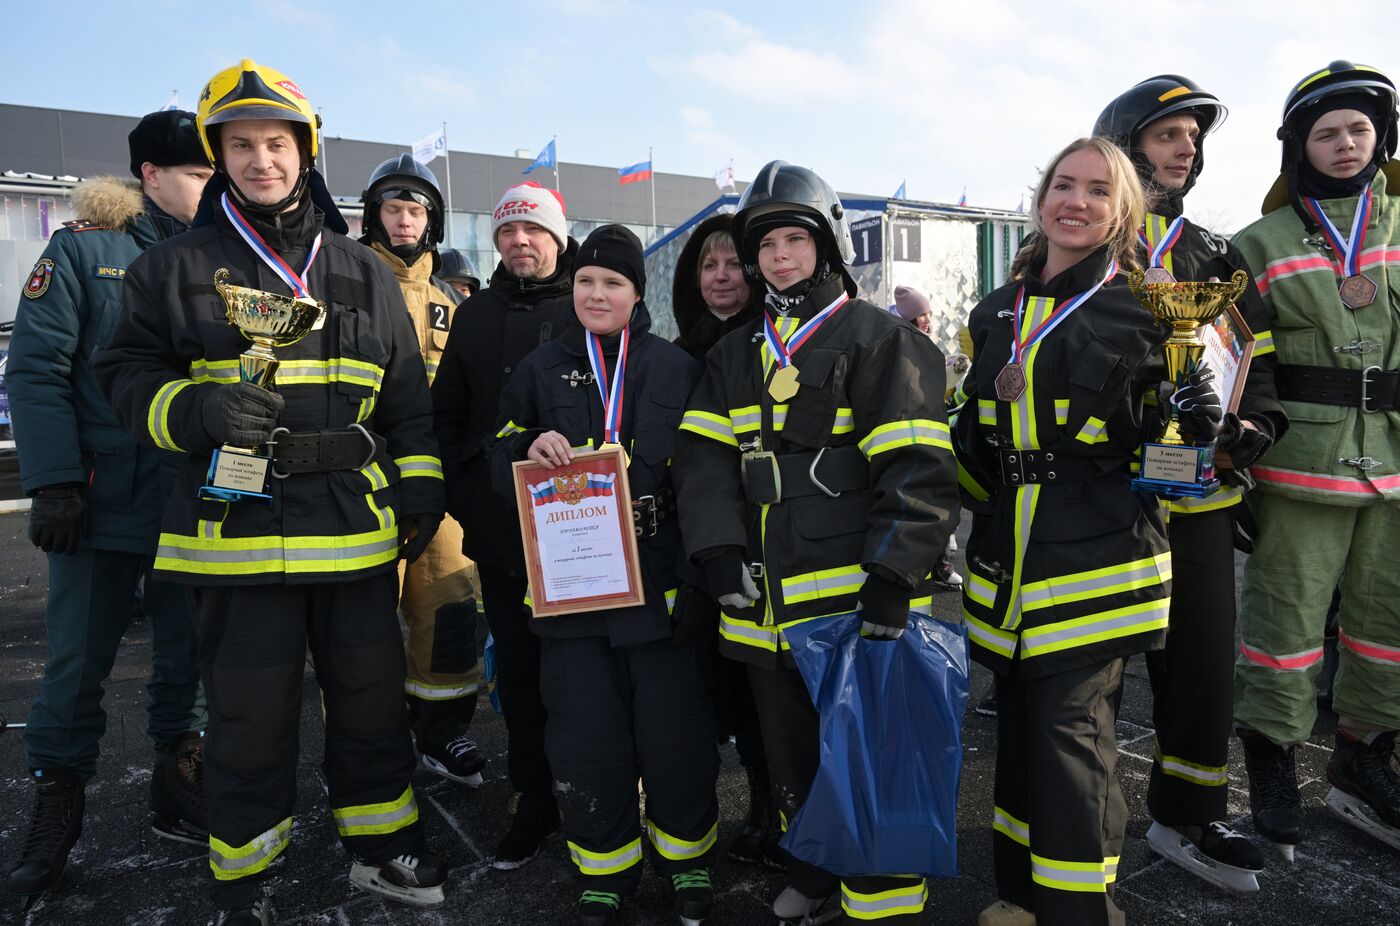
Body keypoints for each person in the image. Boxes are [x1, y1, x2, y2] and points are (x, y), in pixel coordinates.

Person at [92, 60, 448, 924]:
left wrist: (420, 491)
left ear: (306, 152)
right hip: (235, 533)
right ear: (220, 156)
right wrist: (199, 407)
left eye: (278, 144)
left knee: (371, 705)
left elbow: (406, 403)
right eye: (242, 145)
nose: (262, 161)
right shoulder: (172, 269)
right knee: (249, 715)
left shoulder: (363, 271)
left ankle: (382, 849)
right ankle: (245, 868)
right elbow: (122, 377)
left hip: (353, 534)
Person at [675, 160, 958, 925]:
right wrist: (717, 549)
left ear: (828, 244)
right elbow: (702, 464)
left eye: (794, 239)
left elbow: (918, 469)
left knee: (868, 755)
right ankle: (815, 865)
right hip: (763, 608)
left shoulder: (882, 341)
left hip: (850, 602)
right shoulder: (733, 356)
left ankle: (885, 897)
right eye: (765, 245)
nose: (778, 258)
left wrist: (896, 575)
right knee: (794, 755)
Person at [956, 138, 1200, 926]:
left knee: (1070, 741)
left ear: (1122, 212)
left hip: (1097, 555)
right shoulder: (994, 311)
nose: (1077, 201)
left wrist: (1196, 432)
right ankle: (1023, 898)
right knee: (1023, 735)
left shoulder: (1152, 309)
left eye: (1099, 191)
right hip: (1010, 558)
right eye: (1064, 185)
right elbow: (977, 447)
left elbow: (1183, 459)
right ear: (1040, 199)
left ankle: (1081, 912)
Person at [4, 110, 213, 908]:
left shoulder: (215, 260)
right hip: (95, 504)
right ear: (151, 175)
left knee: (184, 655)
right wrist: (53, 481)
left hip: (189, 499)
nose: (211, 186)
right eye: (198, 173)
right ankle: (57, 804)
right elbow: (36, 371)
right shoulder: (86, 251)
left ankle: (177, 777)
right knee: (75, 668)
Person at [490, 224, 719, 926]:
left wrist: (694, 582)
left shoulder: (676, 368)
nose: (596, 293)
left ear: (634, 293)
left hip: (657, 585)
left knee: (675, 736)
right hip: (572, 590)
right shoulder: (540, 367)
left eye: (612, 283)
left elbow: (707, 481)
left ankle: (686, 864)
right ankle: (604, 868)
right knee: (585, 738)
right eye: (586, 281)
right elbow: (497, 453)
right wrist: (528, 444)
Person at [1094, 75, 1286, 892]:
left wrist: (1245, 437)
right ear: (1127, 139)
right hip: (1099, 497)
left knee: (1202, 667)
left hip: (1203, 496)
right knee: (1090, 674)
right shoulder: (1088, 242)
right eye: (1170, 133)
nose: (1186, 148)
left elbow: (1258, 368)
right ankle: (1073, 832)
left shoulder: (1216, 256)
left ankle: (1186, 819)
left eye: (1194, 138)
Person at [1233, 60, 1400, 858]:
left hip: (1397, 467)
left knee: (1387, 625)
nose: (1344, 144)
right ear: (1298, 144)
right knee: (1287, 621)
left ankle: (1367, 755)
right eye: (1326, 132)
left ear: (1382, 138)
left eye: (1359, 130)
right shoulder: (1256, 244)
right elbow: (1237, 365)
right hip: (1300, 465)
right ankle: (1271, 754)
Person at [433, 180, 578, 868]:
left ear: (557, 236)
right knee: (517, 672)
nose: (520, 242)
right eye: (508, 233)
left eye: (533, 231)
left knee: (585, 672)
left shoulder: (592, 298)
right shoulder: (475, 314)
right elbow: (448, 417)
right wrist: (465, 494)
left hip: (581, 529)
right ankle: (534, 797)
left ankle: (601, 791)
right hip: (499, 531)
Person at [360, 154, 485, 787]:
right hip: (362, 484)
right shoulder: (341, 284)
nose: (404, 221)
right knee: (361, 624)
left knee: (450, 609)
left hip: (436, 487)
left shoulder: (451, 307)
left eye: (416, 210)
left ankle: (443, 733)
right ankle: (367, 745)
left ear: (431, 222)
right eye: (393, 208)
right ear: (372, 215)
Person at [670, 214, 781, 870]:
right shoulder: (676, 356)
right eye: (707, 266)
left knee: (769, 690)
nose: (720, 277)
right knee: (724, 688)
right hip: (705, 549)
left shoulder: (779, 344)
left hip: (777, 542)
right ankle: (741, 803)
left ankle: (776, 804)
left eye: (733, 263)